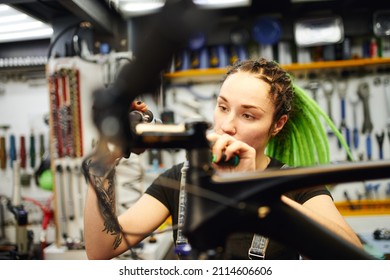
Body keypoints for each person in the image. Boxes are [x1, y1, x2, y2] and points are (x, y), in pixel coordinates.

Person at [83, 58, 362, 260]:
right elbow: (102, 249)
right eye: (223, 107)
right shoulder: (179, 180)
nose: (227, 125)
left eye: (248, 115)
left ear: (277, 124)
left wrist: (257, 190)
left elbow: (353, 258)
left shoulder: (294, 186)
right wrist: (103, 160)